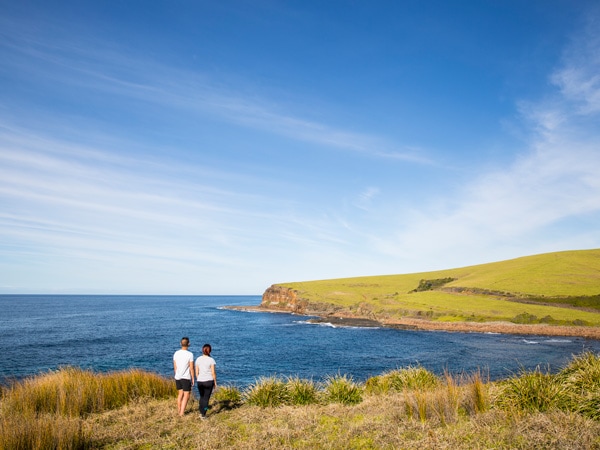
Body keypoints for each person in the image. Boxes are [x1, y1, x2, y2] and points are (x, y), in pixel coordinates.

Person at [173, 337, 194, 416]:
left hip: (177, 376)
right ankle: (182, 413)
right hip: (186, 377)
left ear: (180, 344)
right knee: (186, 395)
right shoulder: (190, 354)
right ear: (188, 344)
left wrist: (176, 374)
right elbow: (191, 368)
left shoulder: (176, 353)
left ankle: (179, 409)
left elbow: (175, 366)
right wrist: (193, 378)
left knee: (180, 394)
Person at [195, 343, 217, 419]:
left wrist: (199, 378)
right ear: (210, 351)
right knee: (206, 398)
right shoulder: (211, 360)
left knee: (201, 397)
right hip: (208, 381)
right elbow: (213, 372)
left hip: (200, 381)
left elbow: (196, 372)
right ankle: (203, 413)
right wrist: (215, 382)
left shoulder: (198, 359)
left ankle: (201, 411)